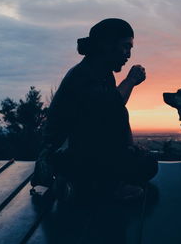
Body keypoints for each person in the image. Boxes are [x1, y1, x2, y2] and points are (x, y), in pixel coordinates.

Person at [31, 18, 158, 203]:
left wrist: (130, 147)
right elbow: (109, 107)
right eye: (125, 47)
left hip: (87, 152)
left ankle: (82, 185)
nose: (128, 54)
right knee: (135, 165)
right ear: (106, 45)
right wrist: (130, 81)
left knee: (148, 163)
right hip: (64, 155)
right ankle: (94, 187)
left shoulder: (102, 73)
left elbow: (118, 113)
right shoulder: (82, 75)